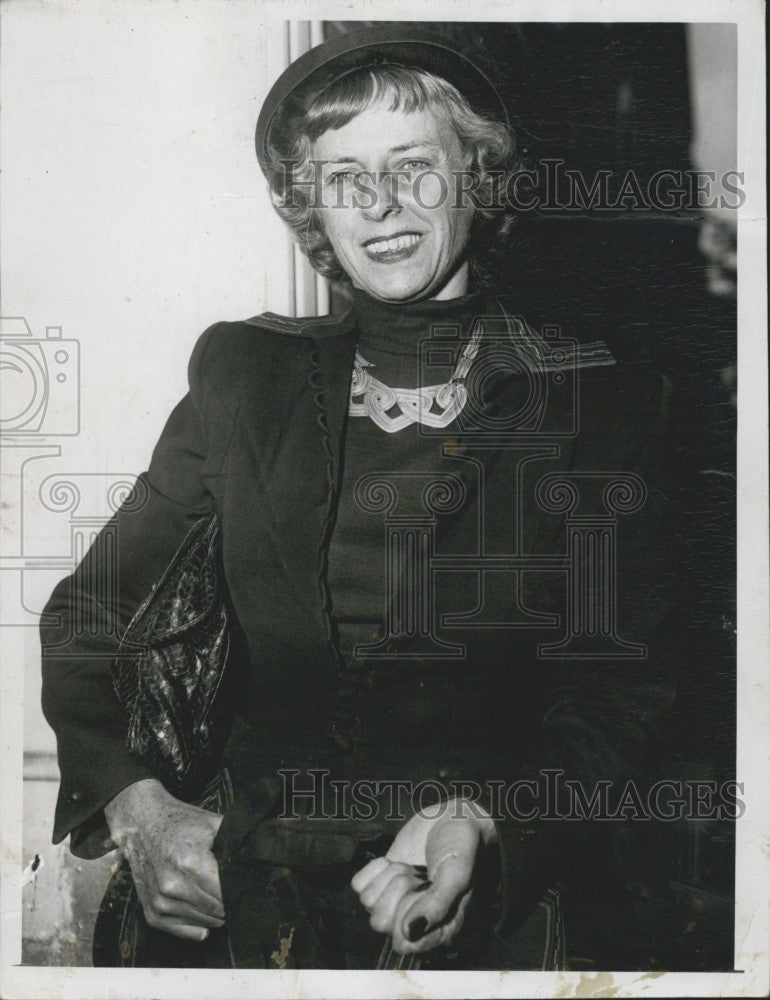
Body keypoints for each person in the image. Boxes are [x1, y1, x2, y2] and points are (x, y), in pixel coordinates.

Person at [40, 24, 678, 970]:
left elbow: (623, 699)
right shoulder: (243, 374)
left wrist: (490, 826)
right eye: (344, 177)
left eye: (413, 164)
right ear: (312, 207)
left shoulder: (604, 402)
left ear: (477, 175)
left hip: (479, 902)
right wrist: (141, 812)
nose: (381, 205)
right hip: (233, 900)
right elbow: (86, 620)